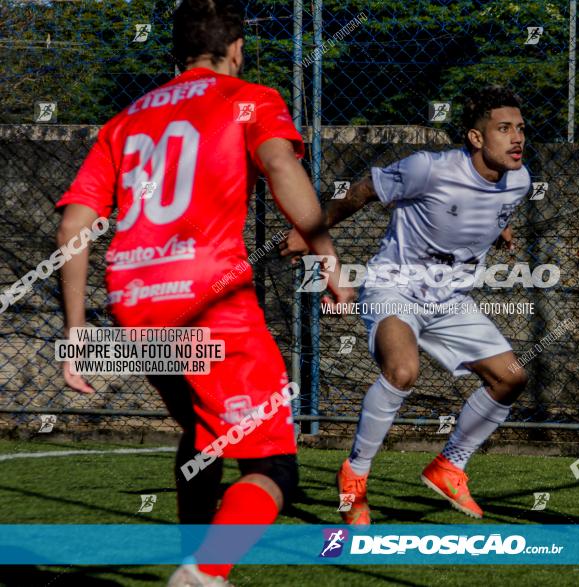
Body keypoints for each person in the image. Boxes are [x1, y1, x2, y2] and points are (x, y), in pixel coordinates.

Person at [55, 1, 352, 585]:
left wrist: (75, 332)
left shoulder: (126, 119)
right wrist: (326, 253)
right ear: (236, 47)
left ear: (176, 50)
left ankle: (198, 563)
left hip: (137, 305)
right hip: (210, 302)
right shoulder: (250, 97)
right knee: (273, 467)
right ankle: (202, 572)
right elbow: (279, 165)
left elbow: (72, 227)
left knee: (202, 438)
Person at [284, 85, 531, 524]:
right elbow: (361, 192)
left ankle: (449, 465)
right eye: (504, 129)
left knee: (511, 377)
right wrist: (312, 231)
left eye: (521, 129)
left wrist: (501, 231)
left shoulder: (520, 182)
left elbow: (487, 212)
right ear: (476, 138)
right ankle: (354, 476)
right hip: (394, 287)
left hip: (450, 298)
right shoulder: (428, 169)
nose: (517, 138)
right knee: (402, 371)